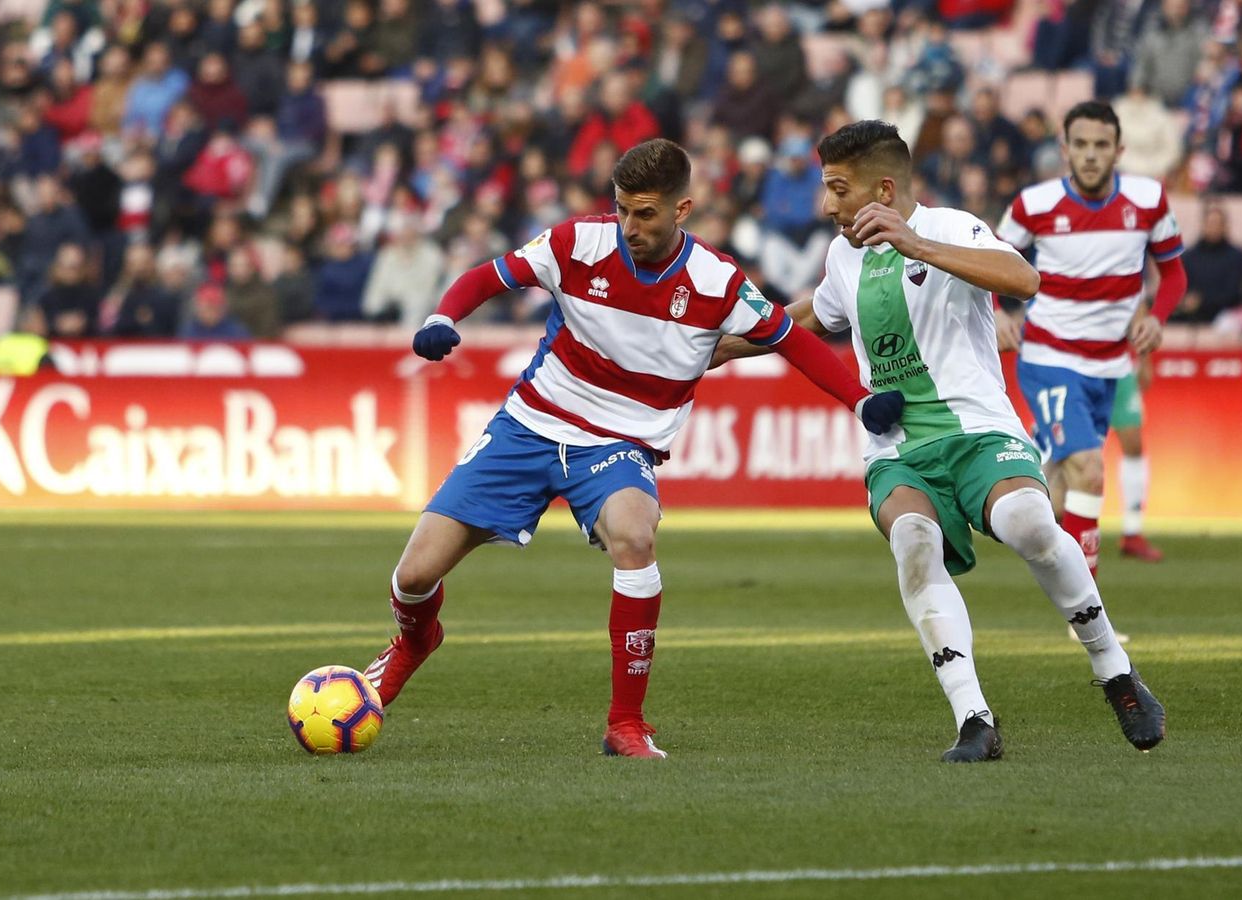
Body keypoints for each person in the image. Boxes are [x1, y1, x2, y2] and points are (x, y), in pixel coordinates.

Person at [360, 139, 885, 759]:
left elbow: (792, 341)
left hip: (620, 442)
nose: (629, 227)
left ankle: (625, 724)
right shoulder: (577, 243)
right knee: (414, 575)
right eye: (621, 211)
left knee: (636, 536)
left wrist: (858, 400)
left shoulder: (717, 282)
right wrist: (445, 317)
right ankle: (415, 640)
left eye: (645, 214)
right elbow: (488, 276)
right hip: (530, 425)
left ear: (681, 209)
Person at [714, 121, 1164, 763]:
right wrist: (723, 348)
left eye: (839, 188)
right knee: (914, 542)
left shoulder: (952, 227)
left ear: (885, 190)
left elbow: (1022, 280)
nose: (826, 205)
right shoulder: (843, 258)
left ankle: (1114, 669)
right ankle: (974, 718)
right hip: (897, 447)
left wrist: (916, 243)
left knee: (1030, 523)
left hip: (979, 428)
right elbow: (810, 318)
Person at [994, 101, 1187, 581]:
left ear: (1119, 150)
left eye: (1101, 145)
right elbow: (987, 264)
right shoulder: (1033, 205)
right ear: (1064, 150)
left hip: (1109, 366)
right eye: (1080, 145)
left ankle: (1000, 493)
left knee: (1060, 498)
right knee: (1090, 470)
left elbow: (1176, 273)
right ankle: (1089, 616)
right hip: (1049, 357)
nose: (1091, 155)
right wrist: (997, 315)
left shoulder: (1147, 201)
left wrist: (1158, 317)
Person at [1109, 355, 1161, 562]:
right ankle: (1060, 525)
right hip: (1076, 364)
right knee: (1072, 449)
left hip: (1119, 366)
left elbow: (1138, 321)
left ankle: (1132, 532)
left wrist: (1144, 358)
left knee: (1134, 446)